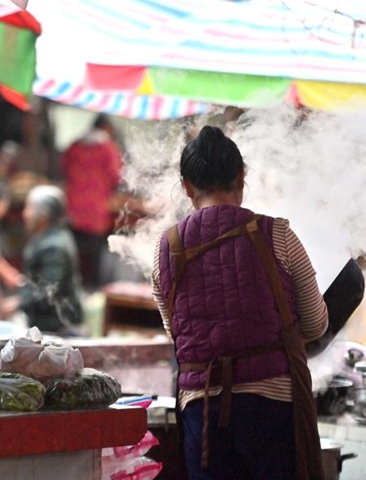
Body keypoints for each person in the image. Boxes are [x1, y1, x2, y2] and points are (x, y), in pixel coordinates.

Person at [150, 126, 328, 480]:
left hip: (201, 413)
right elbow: (315, 324)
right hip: (272, 408)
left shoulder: (164, 250)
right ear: (241, 177)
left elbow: (177, 333)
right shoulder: (277, 234)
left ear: (187, 185)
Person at [60, 114, 123, 291]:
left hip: (73, 206)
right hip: (95, 209)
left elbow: (64, 168)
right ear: (106, 128)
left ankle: (73, 285)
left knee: (74, 249)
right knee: (95, 251)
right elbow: (115, 175)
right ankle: (94, 287)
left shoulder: (74, 146)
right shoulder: (108, 148)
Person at [16, 185, 83, 334]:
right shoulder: (45, 237)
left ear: (44, 214)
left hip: (57, 327)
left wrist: (17, 304)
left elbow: (48, 290)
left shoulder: (54, 246)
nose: (25, 214)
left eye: (29, 208)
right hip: (44, 323)